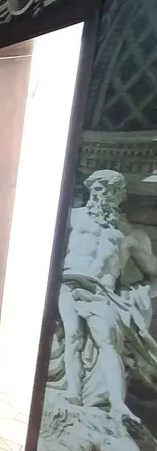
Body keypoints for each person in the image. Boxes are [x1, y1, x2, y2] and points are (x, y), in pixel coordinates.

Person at [56, 169, 157, 423]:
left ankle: (117, 404)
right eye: (100, 189)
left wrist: (136, 294)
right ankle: (73, 391)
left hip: (102, 292)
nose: (105, 195)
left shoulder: (131, 235)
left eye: (113, 190)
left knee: (107, 341)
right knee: (73, 336)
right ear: (91, 190)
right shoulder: (74, 217)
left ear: (121, 195)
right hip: (68, 283)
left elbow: (153, 275)